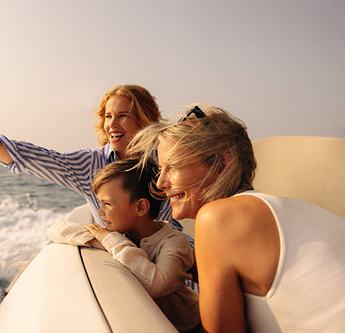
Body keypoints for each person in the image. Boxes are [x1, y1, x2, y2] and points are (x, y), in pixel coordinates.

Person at [130, 103, 345, 332]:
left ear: (223, 163)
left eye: (173, 166)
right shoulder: (296, 210)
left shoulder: (218, 217)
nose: (161, 183)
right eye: (161, 169)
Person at [0, 85, 184, 230]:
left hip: (174, 262)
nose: (112, 124)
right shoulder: (94, 165)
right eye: (108, 116)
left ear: (145, 118)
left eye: (123, 115)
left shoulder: (168, 159)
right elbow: (34, 158)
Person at [47, 158, 201, 332]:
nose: (100, 212)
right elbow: (57, 229)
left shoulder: (175, 242)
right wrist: (99, 240)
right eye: (99, 203)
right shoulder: (118, 235)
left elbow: (156, 284)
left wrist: (111, 240)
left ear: (141, 207)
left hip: (190, 327)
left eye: (107, 204)